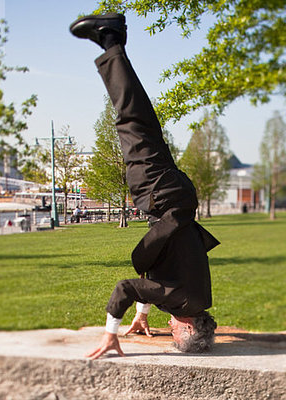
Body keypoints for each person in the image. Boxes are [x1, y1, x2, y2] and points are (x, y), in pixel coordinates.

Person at [70, 13, 219, 360]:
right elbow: (127, 287)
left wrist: (141, 314)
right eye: (175, 333)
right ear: (189, 327)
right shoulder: (180, 300)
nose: (170, 330)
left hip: (176, 196)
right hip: (160, 194)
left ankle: (111, 43)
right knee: (130, 118)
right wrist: (112, 333)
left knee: (140, 120)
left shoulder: (199, 301)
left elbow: (165, 282)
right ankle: (110, 37)